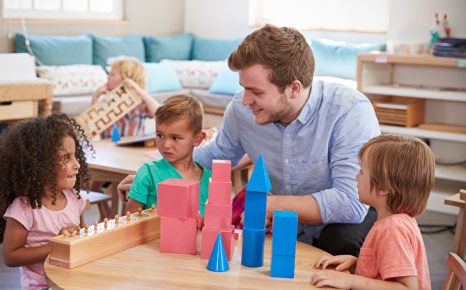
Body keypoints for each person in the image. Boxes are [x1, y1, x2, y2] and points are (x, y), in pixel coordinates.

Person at [118, 24, 380, 256]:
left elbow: (350, 203)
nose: (245, 101)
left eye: (255, 92)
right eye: (243, 88)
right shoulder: (241, 111)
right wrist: (154, 172)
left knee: (338, 241)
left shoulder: (349, 110)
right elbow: (216, 155)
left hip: (350, 218)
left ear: (294, 88)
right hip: (283, 217)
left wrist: (272, 204)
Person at [0, 114, 93, 290]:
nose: (77, 164)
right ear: (40, 165)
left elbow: (79, 239)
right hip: (41, 286)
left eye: (75, 155)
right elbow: (11, 257)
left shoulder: (74, 198)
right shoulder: (23, 209)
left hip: (70, 280)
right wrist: (56, 245)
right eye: (66, 158)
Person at [311, 134, 433, 290]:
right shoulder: (396, 221)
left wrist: (350, 281)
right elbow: (385, 274)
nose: (356, 177)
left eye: (362, 172)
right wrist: (357, 263)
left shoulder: (392, 229)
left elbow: (407, 288)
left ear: (383, 188)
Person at [124, 94, 212, 216]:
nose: (166, 144)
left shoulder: (211, 180)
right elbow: (128, 224)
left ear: (197, 139)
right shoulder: (147, 173)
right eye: (160, 135)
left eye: (175, 138)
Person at [92, 58, 159, 139]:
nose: (108, 77)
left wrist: (139, 91)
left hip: (132, 147)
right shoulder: (107, 101)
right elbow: (93, 123)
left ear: (126, 79)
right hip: (108, 146)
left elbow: (158, 112)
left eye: (112, 74)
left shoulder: (139, 102)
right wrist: (95, 97)